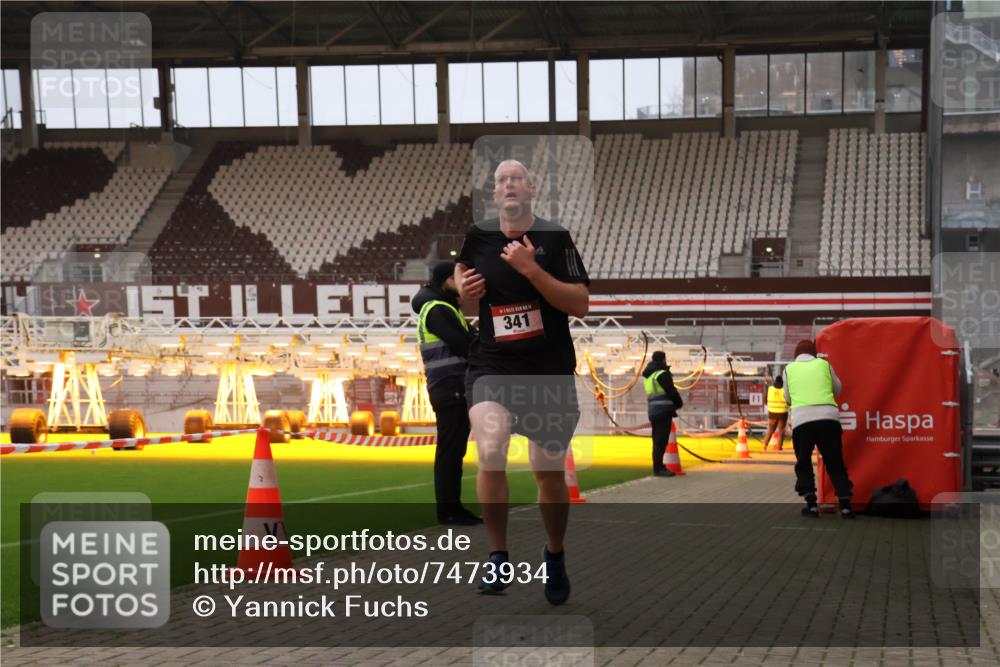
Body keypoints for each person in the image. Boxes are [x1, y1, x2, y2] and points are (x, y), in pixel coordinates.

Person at [455, 159, 590, 605]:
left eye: (516, 178)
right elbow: (461, 276)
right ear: (494, 193)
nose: (509, 184)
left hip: (547, 371)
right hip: (492, 366)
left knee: (548, 474)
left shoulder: (556, 238)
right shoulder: (478, 237)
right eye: (501, 180)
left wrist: (531, 270)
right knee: (490, 448)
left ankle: (555, 554)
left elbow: (580, 304)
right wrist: (463, 290)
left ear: (532, 189)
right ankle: (498, 555)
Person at [412, 260, 482, 526]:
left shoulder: (443, 307)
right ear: (445, 281)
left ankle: (452, 507)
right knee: (451, 451)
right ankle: (449, 510)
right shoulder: (438, 309)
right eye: (457, 278)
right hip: (450, 387)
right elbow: (465, 345)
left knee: (453, 450)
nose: (462, 283)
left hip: (451, 387)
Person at [782, 340, 854, 518]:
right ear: (814, 353)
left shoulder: (789, 369)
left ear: (796, 354)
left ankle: (811, 504)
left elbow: (787, 397)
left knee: (804, 462)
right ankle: (845, 505)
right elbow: (838, 389)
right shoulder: (824, 364)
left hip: (802, 420)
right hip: (828, 418)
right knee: (834, 460)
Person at [642, 351, 683, 477]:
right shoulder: (662, 374)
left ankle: (658, 466)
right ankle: (658, 469)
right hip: (664, 411)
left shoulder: (648, 376)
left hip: (653, 411)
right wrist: (679, 403)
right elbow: (671, 391)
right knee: (661, 440)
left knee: (657, 441)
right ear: (663, 359)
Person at [762, 376, 789, 451]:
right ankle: (779, 447)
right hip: (782, 413)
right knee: (781, 431)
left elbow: (765, 400)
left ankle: (765, 444)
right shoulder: (785, 390)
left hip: (772, 413)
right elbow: (788, 401)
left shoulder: (770, 389)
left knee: (770, 430)